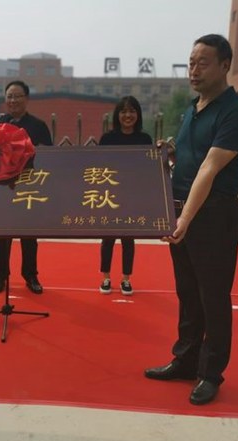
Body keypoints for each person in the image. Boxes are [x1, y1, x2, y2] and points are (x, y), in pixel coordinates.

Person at [143, 34, 238, 405]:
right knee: (188, 291)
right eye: (191, 62)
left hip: (213, 215)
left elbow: (210, 166)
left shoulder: (236, 111)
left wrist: (185, 218)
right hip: (183, 211)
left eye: (203, 63)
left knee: (213, 296)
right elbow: (191, 159)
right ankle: (186, 360)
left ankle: (211, 373)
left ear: (225, 65)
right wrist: (169, 153)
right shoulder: (193, 109)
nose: (194, 69)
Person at [0, 80, 53, 294]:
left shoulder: (38, 126)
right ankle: (0, 275)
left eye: (17, 96)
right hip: (2, 188)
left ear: (26, 99)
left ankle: (30, 275)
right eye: (9, 96)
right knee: (2, 236)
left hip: (28, 186)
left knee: (29, 235)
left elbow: (48, 157)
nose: (13, 100)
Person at [98, 96, 153, 295]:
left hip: (132, 195)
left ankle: (126, 279)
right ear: (117, 115)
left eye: (132, 111)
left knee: (128, 239)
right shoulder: (107, 139)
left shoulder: (145, 139)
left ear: (138, 114)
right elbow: (98, 167)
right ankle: (106, 277)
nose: (127, 115)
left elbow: (149, 168)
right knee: (108, 238)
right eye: (123, 111)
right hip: (110, 194)